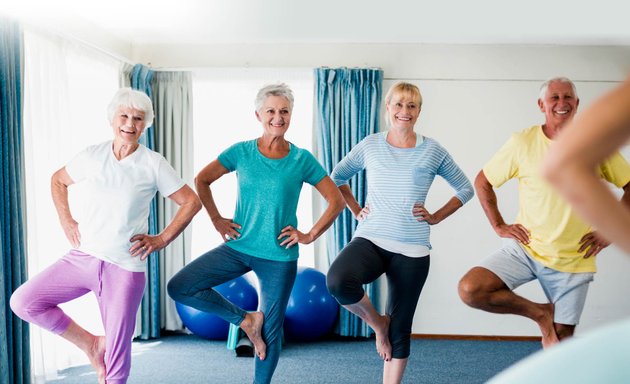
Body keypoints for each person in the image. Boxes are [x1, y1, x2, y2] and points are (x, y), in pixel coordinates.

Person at [10, 88, 202, 384]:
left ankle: (105, 350)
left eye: (138, 118)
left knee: (117, 356)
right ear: (113, 119)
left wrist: (161, 239)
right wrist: (66, 219)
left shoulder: (153, 164)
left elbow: (191, 201)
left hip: (125, 268)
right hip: (82, 258)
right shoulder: (93, 155)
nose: (130, 123)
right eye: (124, 116)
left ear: (145, 123)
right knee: (23, 301)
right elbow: (58, 180)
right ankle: (90, 343)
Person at [167, 83, 345, 384]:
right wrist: (216, 219)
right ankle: (245, 319)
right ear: (258, 114)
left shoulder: (301, 160)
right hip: (239, 246)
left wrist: (310, 234)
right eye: (271, 111)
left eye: (284, 111)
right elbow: (202, 179)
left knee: (272, 331)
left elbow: (336, 200)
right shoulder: (242, 152)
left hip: (279, 255)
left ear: (291, 116)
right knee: (181, 286)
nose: (278, 117)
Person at [458, 77, 630, 349]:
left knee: (559, 343)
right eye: (555, 98)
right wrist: (499, 225)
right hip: (525, 249)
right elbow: (483, 181)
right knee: (471, 289)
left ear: (577, 103)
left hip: (574, 257)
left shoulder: (595, 143)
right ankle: (541, 313)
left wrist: (610, 231)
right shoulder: (522, 142)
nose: (562, 103)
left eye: (568, 97)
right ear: (541, 105)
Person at [325, 81, 474, 384]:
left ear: (419, 111)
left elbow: (465, 188)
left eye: (412, 105)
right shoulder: (371, 144)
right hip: (372, 237)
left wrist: (435, 217)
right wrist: (355, 208)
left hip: (413, 249)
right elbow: (337, 176)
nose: (404, 111)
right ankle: (378, 324)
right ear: (387, 108)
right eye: (398, 104)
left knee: (401, 328)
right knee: (339, 281)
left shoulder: (433, 150)